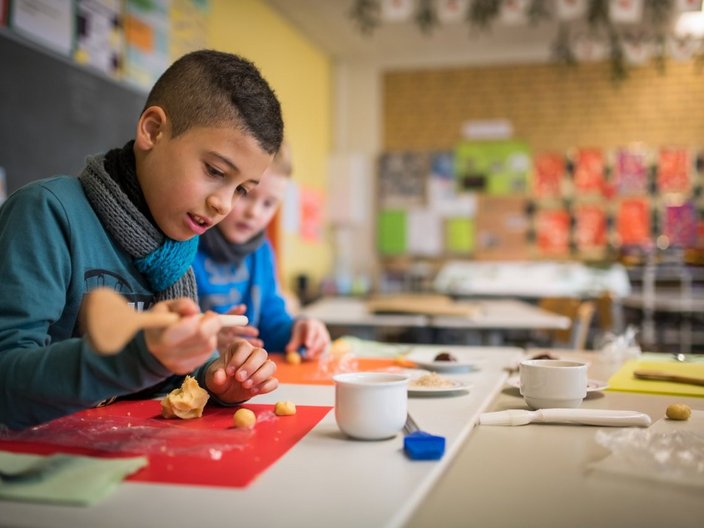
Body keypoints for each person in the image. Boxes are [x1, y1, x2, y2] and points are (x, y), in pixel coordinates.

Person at [0, 50, 284, 430]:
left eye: (242, 191)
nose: (223, 205)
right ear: (152, 130)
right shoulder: (47, 213)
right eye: (215, 171)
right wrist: (138, 357)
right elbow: (5, 384)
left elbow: (162, 375)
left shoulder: (173, 250)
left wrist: (213, 377)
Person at [194, 143, 330, 360]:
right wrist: (209, 342)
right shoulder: (188, 244)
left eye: (269, 203)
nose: (254, 212)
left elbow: (272, 321)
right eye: (246, 194)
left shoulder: (262, 251)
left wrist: (299, 329)